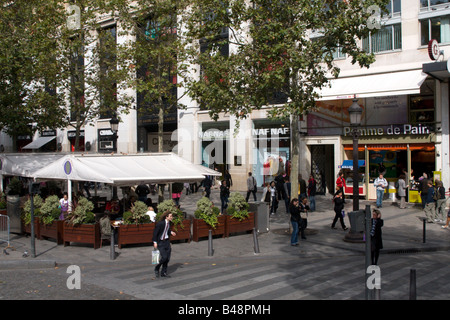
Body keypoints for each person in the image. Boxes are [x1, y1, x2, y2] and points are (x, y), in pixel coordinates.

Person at [153, 211, 176, 278]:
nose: (172, 217)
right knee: (164, 257)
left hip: (166, 241)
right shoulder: (160, 224)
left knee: (167, 258)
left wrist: (171, 232)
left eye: (172, 216)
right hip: (161, 242)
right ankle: (157, 268)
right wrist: (155, 242)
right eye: (170, 216)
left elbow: (167, 230)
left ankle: (164, 272)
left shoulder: (169, 223)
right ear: (166, 217)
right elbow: (155, 233)